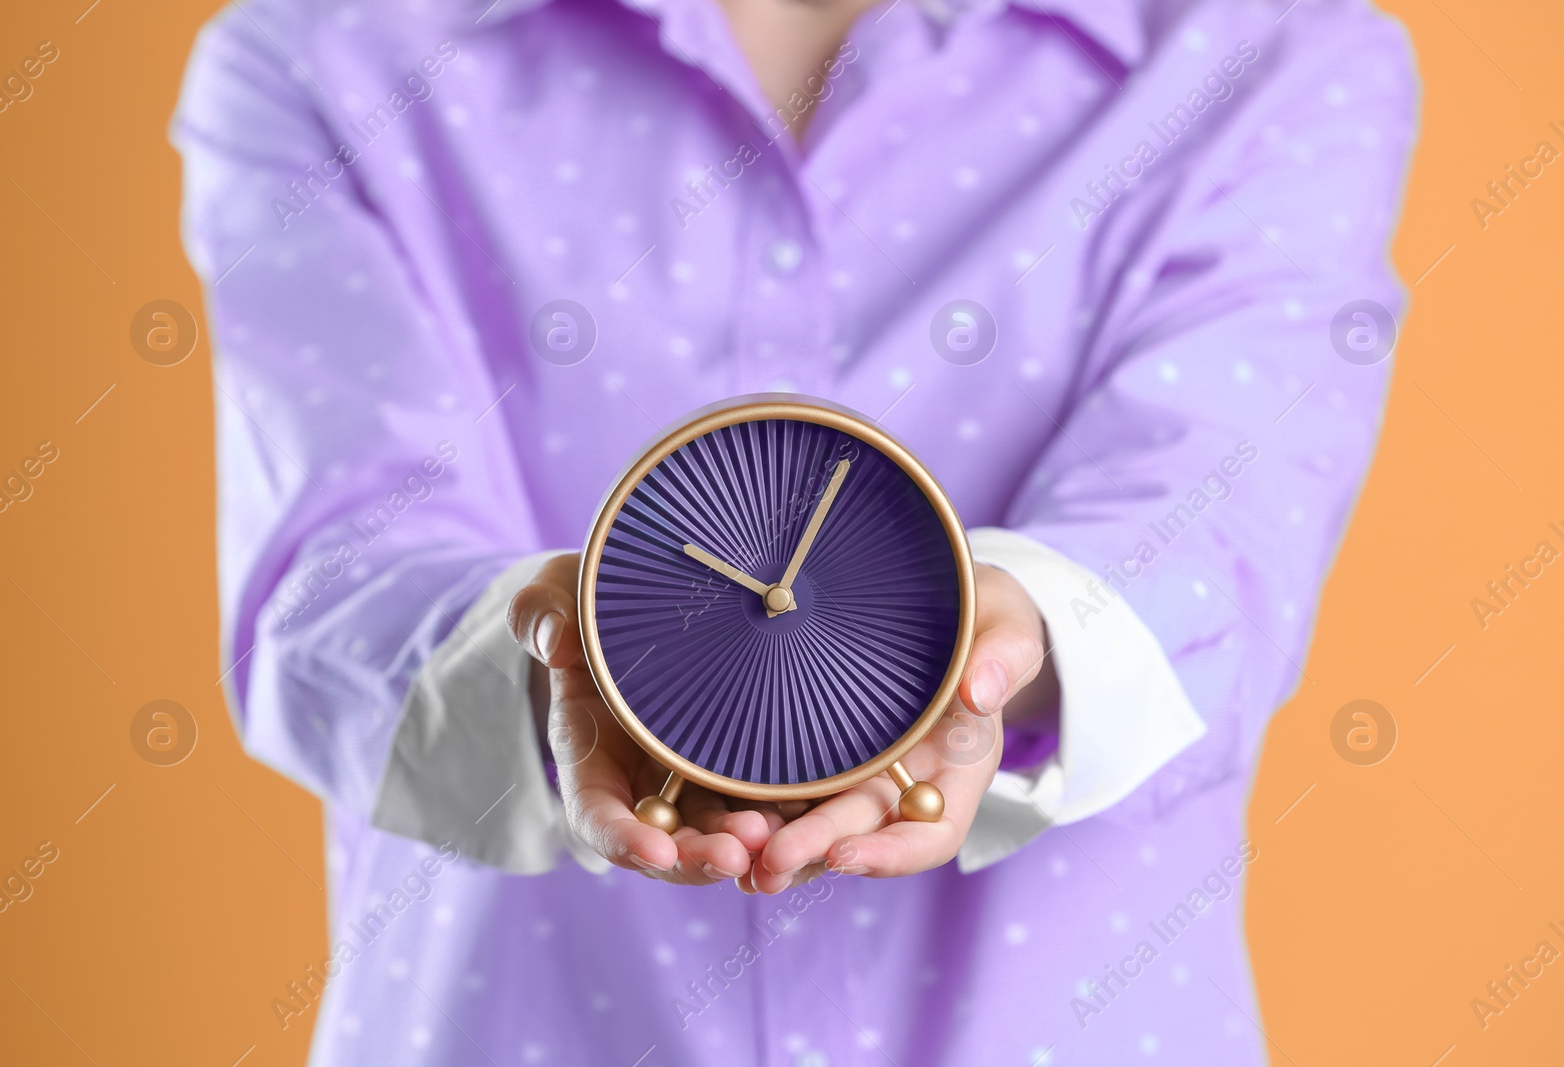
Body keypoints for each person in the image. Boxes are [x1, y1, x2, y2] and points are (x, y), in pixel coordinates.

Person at [172, 0, 1416, 1061]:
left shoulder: (1265, 53)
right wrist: (555, 669)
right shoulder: (330, 52)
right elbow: (332, 581)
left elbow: (1215, 523)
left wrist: (1013, 646)